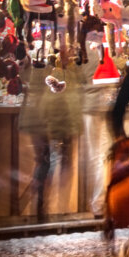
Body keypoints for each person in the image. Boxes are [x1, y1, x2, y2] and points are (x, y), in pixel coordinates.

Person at [18, 48, 81, 221]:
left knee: (46, 163)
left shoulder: (37, 70)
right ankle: (40, 208)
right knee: (47, 163)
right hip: (42, 122)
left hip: (38, 121)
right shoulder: (51, 73)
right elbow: (54, 98)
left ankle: (38, 208)